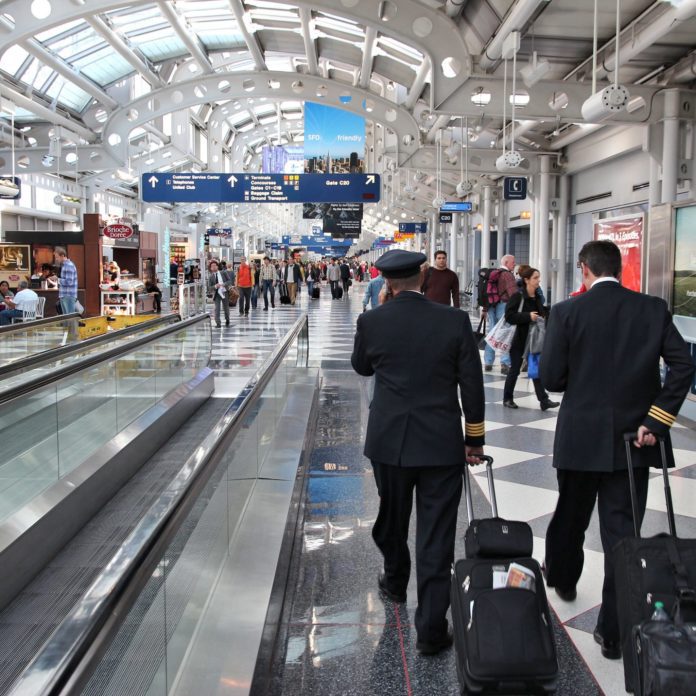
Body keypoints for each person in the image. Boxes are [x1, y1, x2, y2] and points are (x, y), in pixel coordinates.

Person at [540, 240, 694, 661]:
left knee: (570, 516)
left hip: (580, 439)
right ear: (619, 268)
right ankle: (613, 632)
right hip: (634, 441)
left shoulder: (567, 312)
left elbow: (552, 379)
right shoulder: (652, 309)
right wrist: (656, 420)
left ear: (584, 269)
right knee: (623, 536)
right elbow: (683, 365)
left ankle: (564, 578)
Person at [351, 249, 485, 656]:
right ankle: (430, 628)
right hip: (441, 443)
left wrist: (379, 313)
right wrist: (474, 438)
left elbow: (362, 367)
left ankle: (395, 580)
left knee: (392, 518)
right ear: (423, 278)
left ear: (387, 283)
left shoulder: (372, 321)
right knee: (437, 533)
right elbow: (472, 383)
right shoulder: (454, 320)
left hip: (388, 442)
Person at [502, 266, 559, 411]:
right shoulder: (518, 296)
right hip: (519, 339)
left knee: (535, 369)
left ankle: (543, 401)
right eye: (535, 278)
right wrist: (528, 316)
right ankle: (507, 398)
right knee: (515, 369)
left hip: (534, 339)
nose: (538, 280)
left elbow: (541, 313)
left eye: (538, 277)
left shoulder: (537, 297)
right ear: (526, 280)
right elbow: (509, 316)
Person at [481, 254, 517, 375]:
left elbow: (487, 292)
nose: (514, 264)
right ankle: (505, 363)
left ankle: (488, 362)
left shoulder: (493, 274)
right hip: (504, 305)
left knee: (492, 333)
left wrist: (485, 309)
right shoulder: (508, 275)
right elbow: (513, 293)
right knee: (505, 333)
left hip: (492, 306)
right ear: (506, 263)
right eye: (513, 262)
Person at [52, 246, 78, 314]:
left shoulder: (68, 265)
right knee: (67, 318)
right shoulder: (65, 265)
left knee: (69, 318)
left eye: (57, 257)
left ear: (62, 256)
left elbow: (69, 282)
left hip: (68, 295)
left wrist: (57, 279)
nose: (56, 259)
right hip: (66, 295)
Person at [207, 260, 233, 327]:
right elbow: (209, 288)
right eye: (212, 266)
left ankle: (227, 319)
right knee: (217, 309)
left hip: (224, 292)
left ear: (217, 266)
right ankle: (218, 323)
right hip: (217, 294)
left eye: (215, 265)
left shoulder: (223, 272)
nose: (213, 267)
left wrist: (224, 284)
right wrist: (215, 286)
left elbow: (229, 281)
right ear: (211, 268)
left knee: (226, 307)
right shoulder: (210, 277)